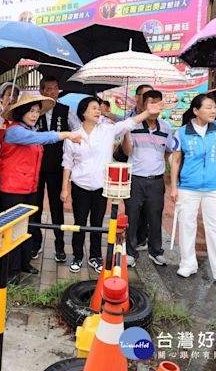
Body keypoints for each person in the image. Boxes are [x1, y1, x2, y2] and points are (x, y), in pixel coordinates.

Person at [61, 96, 161, 273]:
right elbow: (67, 163)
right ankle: (77, 257)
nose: (98, 111)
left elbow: (129, 123)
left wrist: (147, 112)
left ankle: (95, 257)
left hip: (101, 186)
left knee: (98, 223)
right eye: (93, 108)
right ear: (83, 112)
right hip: (79, 185)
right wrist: (64, 189)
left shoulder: (107, 129)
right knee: (79, 222)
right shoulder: (73, 135)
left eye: (98, 108)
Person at [0, 92, 82, 284]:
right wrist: (67, 134)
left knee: (27, 227)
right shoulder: (15, 131)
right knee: (13, 230)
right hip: (13, 188)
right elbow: (43, 139)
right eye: (30, 111)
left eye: (37, 111)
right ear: (21, 112)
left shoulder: (31, 130)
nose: (35, 114)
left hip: (29, 187)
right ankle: (11, 270)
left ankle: (24, 262)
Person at [170, 94, 216, 289]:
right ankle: (188, 264)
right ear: (196, 110)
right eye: (208, 107)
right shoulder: (182, 133)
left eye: (214, 107)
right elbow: (176, 161)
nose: (213, 110)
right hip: (188, 187)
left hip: (215, 187)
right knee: (187, 226)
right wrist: (173, 187)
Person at [122, 90, 172, 268]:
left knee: (155, 216)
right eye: (151, 104)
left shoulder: (165, 127)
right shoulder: (132, 126)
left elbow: (168, 150)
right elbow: (127, 151)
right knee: (132, 217)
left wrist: (160, 166)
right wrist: (126, 133)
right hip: (135, 179)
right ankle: (129, 252)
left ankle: (156, 251)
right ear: (143, 105)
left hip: (156, 181)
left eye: (158, 104)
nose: (155, 108)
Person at [31, 76, 75, 262]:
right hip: (36, 168)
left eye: (55, 88)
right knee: (35, 207)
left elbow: (77, 131)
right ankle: (35, 244)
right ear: (41, 91)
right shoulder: (34, 111)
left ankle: (59, 247)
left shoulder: (66, 110)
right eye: (48, 89)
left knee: (57, 208)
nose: (52, 92)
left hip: (58, 167)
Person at [0, 81, 20, 216]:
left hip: (13, 170)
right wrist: (3, 115)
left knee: (10, 207)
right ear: (1, 98)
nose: (12, 98)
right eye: (9, 95)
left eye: (15, 95)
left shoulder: (19, 118)